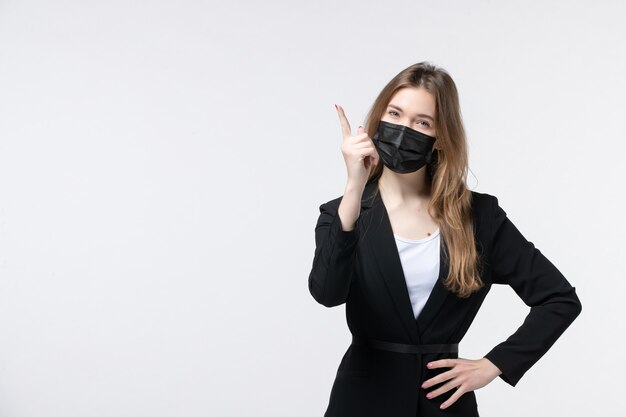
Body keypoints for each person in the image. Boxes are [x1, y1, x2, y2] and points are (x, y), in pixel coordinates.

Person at [307, 62, 582, 417]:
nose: (404, 129)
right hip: (362, 398)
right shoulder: (341, 211)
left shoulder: (479, 217)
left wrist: (494, 363)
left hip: (445, 403)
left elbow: (559, 298)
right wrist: (354, 187)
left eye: (422, 122)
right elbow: (327, 293)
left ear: (440, 137)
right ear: (378, 120)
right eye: (395, 113)